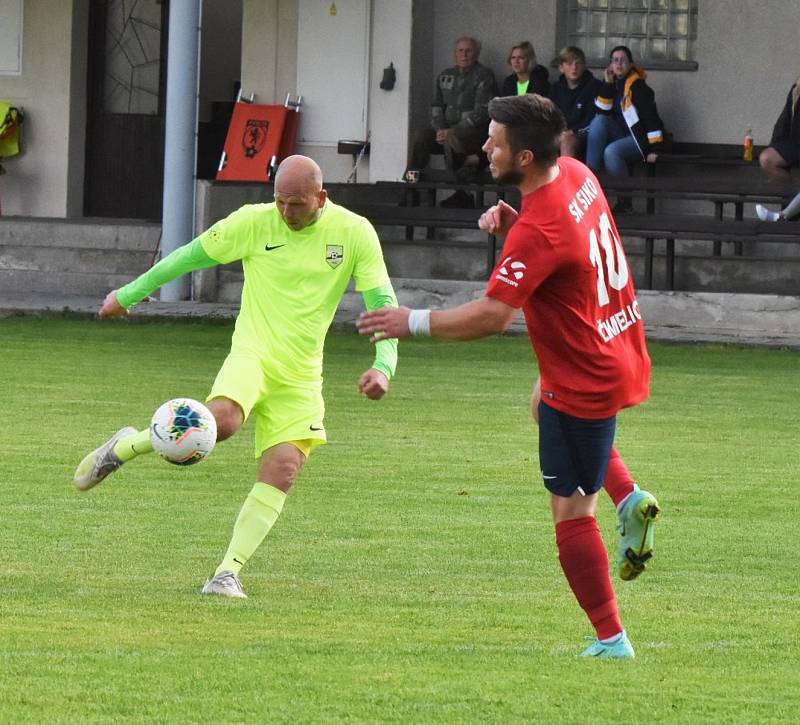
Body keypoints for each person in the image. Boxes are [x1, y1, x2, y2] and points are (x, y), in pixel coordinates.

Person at [358, 95, 660, 659]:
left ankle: (611, 638)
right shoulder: (577, 173)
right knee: (538, 405)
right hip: (615, 345)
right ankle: (629, 500)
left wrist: (410, 322)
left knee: (571, 513)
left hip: (583, 377)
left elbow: (493, 316)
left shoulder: (540, 228)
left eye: (494, 140)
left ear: (523, 155)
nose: (485, 147)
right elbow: (563, 250)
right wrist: (519, 226)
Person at [73, 155, 399, 599]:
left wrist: (383, 365)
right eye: (280, 201)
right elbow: (189, 256)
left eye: (297, 204)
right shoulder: (252, 222)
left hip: (302, 374)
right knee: (221, 423)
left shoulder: (355, 231)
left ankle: (226, 573)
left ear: (321, 198)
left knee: (284, 469)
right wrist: (129, 295)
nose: (286, 212)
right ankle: (127, 445)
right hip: (253, 354)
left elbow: (382, 302)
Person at [407, 36, 497, 208]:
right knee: (422, 137)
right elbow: (436, 106)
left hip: (473, 133)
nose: (464, 55)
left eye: (468, 50)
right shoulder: (445, 76)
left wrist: (453, 130)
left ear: (477, 53)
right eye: (460, 51)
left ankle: (461, 192)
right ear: (455, 54)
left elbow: (483, 110)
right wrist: (440, 129)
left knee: (451, 137)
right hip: (446, 132)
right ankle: (412, 186)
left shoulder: (484, 76)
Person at [585, 45, 665, 213]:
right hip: (620, 135)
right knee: (599, 121)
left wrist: (656, 148)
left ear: (630, 64)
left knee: (611, 151)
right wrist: (607, 84)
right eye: (615, 60)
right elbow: (601, 111)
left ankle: (624, 202)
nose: (619, 63)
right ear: (610, 65)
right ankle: (589, 178)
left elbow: (652, 119)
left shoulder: (638, 87)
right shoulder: (612, 84)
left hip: (638, 139)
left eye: (623, 60)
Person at [549, 46, 602, 159]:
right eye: (569, 63)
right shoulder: (555, 88)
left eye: (578, 63)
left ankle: (568, 176)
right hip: (561, 132)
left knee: (567, 142)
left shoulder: (594, 86)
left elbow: (594, 118)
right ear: (561, 67)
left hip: (585, 133)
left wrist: (573, 131)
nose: (574, 68)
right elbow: (550, 115)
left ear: (584, 66)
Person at [759, 78, 800, 182]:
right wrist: (776, 143)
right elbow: (784, 121)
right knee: (767, 158)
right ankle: (793, 192)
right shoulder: (797, 90)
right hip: (796, 144)